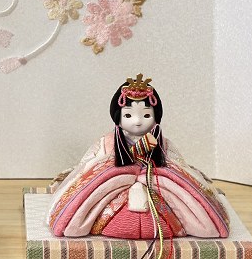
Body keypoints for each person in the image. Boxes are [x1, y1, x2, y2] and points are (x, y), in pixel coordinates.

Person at [46, 74, 229, 239]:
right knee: (90, 189)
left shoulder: (163, 143)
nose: (137, 121)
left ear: (156, 117)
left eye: (146, 115)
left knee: (182, 190)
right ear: (118, 117)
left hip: (156, 184)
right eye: (128, 115)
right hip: (115, 189)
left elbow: (178, 165)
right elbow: (88, 165)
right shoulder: (107, 142)